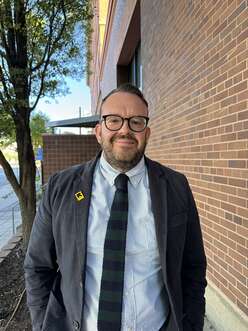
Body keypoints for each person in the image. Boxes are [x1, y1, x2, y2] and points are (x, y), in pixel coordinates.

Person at [24, 83, 207, 331]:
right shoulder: (61, 187)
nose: (125, 130)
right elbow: (38, 266)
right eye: (114, 120)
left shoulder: (175, 187)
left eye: (136, 122)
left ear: (147, 132)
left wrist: (192, 325)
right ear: (98, 131)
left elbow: (193, 267)